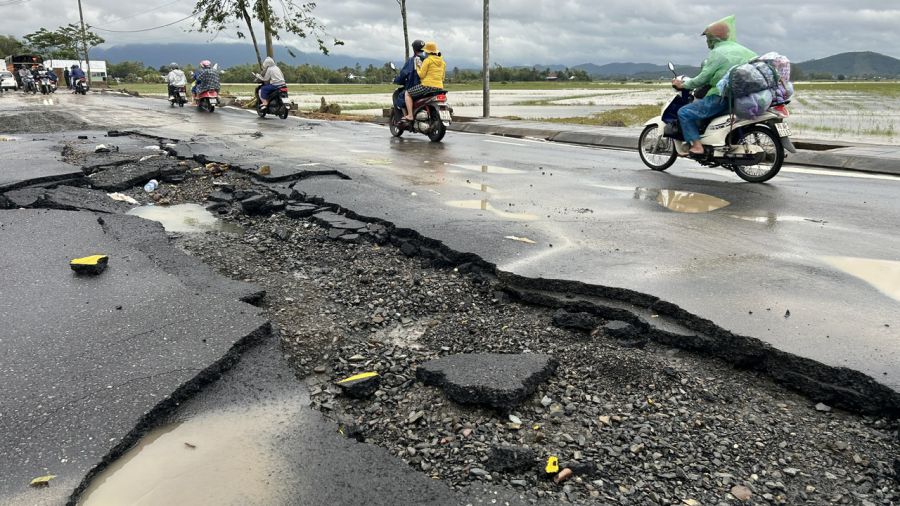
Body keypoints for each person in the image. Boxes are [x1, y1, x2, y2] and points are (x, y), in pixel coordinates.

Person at [672, 15, 756, 155]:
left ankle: (697, 146)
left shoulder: (717, 53)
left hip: (720, 97)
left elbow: (702, 79)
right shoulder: (747, 51)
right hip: (745, 97)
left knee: (684, 112)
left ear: (713, 38)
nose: (706, 42)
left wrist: (683, 85)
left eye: (707, 38)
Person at [402, 40, 445, 121]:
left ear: (427, 52)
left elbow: (421, 75)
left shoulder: (427, 60)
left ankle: (410, 115)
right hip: (440, 87)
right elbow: (442, 77)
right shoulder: (442, 62)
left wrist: (418, 67)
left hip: (427, 86)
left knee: (407, 94)